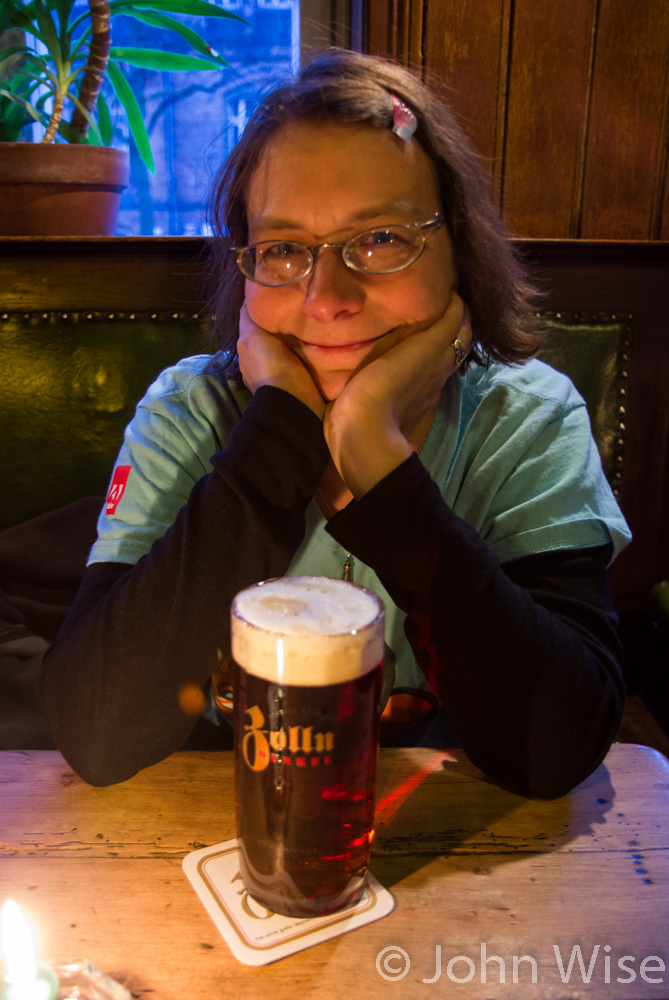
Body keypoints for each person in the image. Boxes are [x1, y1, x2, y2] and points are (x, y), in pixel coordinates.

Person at [39, 49, 631, 796]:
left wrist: (374, 454)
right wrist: (279, 429)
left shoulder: (526, 418)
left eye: (381, 238)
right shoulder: (189, 410)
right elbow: (96, 733)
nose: (326, 299)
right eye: (284, 249)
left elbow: (554, 751)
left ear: (460, 250)